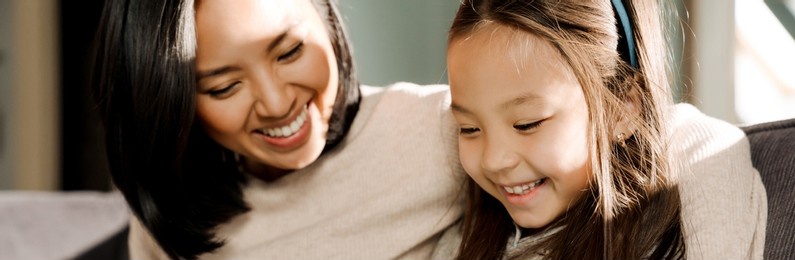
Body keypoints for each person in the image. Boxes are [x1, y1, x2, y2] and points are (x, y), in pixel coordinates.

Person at [91, 0, 464, 259]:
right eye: (224, 87)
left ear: (326, 17)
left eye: (290, 52)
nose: (276, 105)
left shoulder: (443, 131)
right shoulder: (173, 205)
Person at [433, 0, 767, 259]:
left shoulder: (662, 229)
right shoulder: (461, 243)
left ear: (622, 108)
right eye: (469, 128)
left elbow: (706, 142)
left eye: (527, 124)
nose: (493, 159)